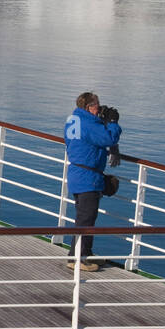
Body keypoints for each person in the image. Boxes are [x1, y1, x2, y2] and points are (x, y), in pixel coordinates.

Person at [64, 92, 123, 272]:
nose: (100, 108)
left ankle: (86, 252)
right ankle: (76, 257)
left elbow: (90, 140)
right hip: (87, 177)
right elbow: (108, 138)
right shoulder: (89, 124)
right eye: (97, 105)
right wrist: (112, 123)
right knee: (85, 218)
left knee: (87, 216)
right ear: (89, 107)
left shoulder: (74, 119)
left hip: (79, 173)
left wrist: (101, 121)